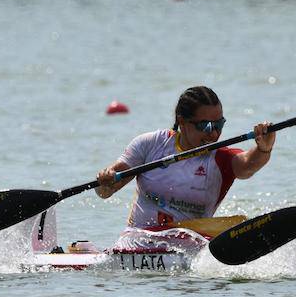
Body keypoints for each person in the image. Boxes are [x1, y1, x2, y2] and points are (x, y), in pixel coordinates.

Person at [96, 86, 276, 251]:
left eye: (219, 125)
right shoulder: (150, 144)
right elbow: (105, 192)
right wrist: (104, 180)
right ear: (182, 122)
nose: (213, 134)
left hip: (190, 246)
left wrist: (263, 149)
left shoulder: (221, 158)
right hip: (138, 241)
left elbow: (247, 165)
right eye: (205, 126)